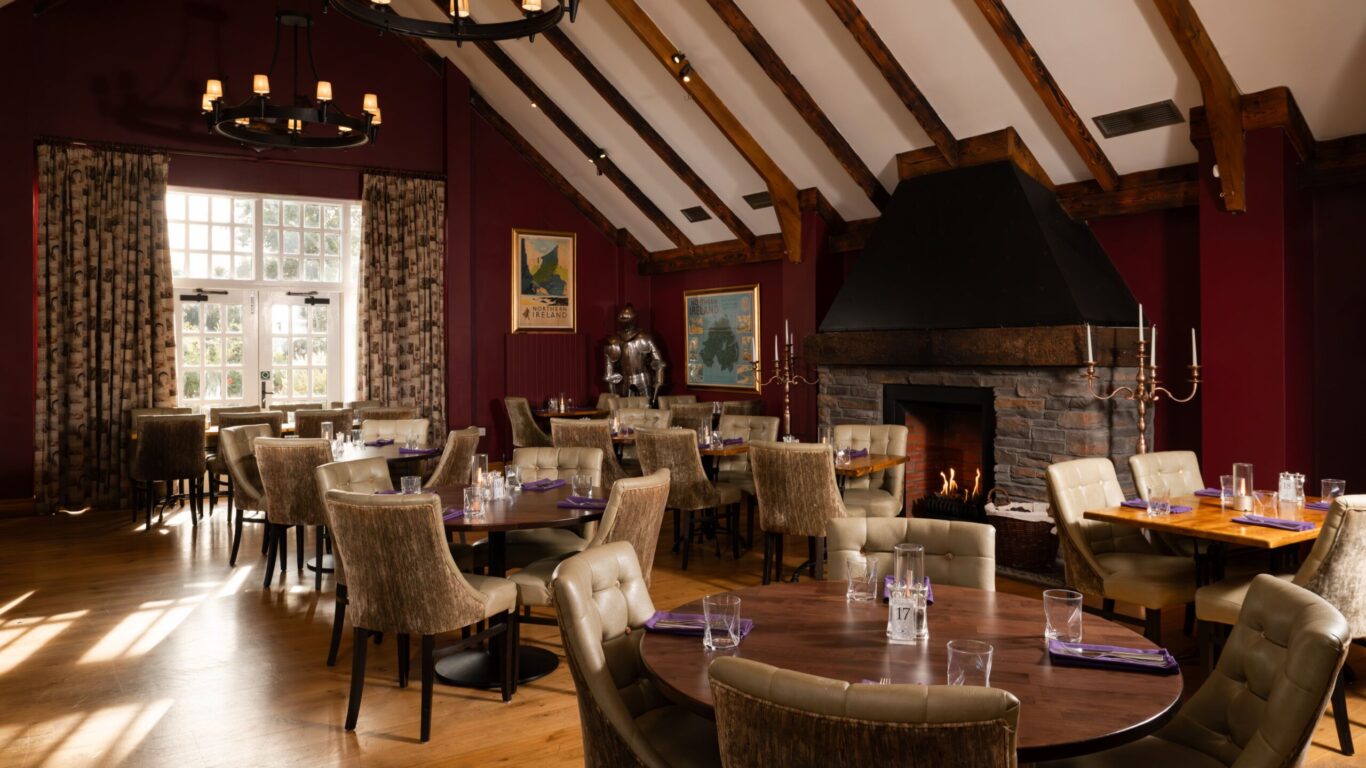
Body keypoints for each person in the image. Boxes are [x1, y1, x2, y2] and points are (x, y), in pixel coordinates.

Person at [602, 304, 667, 405]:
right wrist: (614, 397)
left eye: (627, 319)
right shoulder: (614, 342)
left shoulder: (645, 338)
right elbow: (609, 376)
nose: (625, 323)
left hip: (643, 380)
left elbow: (659, 364)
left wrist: (658, 383)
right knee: (624, 410)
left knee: (647, 408)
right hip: (625, 381)